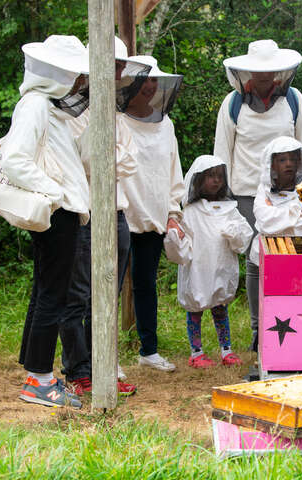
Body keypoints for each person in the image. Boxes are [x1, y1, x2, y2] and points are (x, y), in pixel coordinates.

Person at [0, 35, 91, 407]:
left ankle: (35, 369)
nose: (79, 84)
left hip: (61, 212)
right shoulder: (35, 105)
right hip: (57, 212)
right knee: (55, 294)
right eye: (75, 75)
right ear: (58, 74)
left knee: (45, 292)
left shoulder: (47, 107)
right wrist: (53, 193)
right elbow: (14, 160)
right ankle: (40, 381)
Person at [57, 38, 150, 396]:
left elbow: (130, 160)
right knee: (77, 293)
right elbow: (81, 162)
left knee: (107, 294)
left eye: (121, 66)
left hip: (117, 209)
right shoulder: (72, 107)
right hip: (84, 211)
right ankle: (78, 370)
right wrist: (107, 158)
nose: (119, 72)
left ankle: (104, 367)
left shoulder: (113, 110)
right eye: (112, 65)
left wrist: (105, 158)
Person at [214, 39, 302, 352]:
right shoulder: (233, 104)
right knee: (256, 262)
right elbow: (223, 152)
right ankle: (261, 331)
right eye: (258, 71)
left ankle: (289, 324)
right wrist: (223, 198)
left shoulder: (294, 101)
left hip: (292, 193)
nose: (263, 76)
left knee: (290, 260)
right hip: (247, 193)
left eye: (269, 70)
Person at [120, 55, 185, 372]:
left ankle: (149, 350)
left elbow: (173, 172)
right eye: (145, 80)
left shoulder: (166, 123)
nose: (151, 86)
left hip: (154, 218)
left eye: (153, 80)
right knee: (110, 285)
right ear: (130, 82)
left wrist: (174, 212)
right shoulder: (114, 120)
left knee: (145, 283)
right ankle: (102, 358)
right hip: (119, 214)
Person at [164, 155, 253, 368]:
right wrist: (176, 239)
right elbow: (181, 249)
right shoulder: (190, 212)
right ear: (198, 180)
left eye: (219, 176)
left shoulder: (230, 210)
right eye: (210, 176)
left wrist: (235, 233)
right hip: (197, 271)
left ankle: (227, 351)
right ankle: (196, 353)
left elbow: (242, 240)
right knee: (195, 309)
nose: (216, 181)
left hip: (222, 269)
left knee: (220, 307)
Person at [249, 136, 302, 274]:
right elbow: (265, 222)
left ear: (299, 162)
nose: (288, 164)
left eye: (293, 159)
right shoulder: (264, 191)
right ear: (272, 164)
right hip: (269, 257)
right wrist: (297, 213)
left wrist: (277, 214)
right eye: (282, 160)